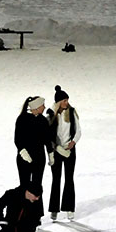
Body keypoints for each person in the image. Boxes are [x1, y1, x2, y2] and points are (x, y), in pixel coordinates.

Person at [47, 85, 81, 221]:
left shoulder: (72, 112)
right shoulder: (50, 114)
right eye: (64, 100)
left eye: (67, 100)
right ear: (58, 102)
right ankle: (54, 209)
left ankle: (69, 208)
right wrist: (54, 147)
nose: (67, 103)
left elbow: (78, 130)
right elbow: (47, 134)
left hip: (69, 151)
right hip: (56, 151)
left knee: (69, 178)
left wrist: (73, 142)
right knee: (56, 180)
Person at [15, 96, 52, 193]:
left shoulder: (43, 120)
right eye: (42, 105)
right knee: (24, 187)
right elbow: (17, 139)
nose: (44, 107)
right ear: (36, 107)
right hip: (24, 159)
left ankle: (36, 208)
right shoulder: (22, 119)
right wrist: (23, 153)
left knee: (37, 188)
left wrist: (50, 154)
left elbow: (47, 139)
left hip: (39, 159)